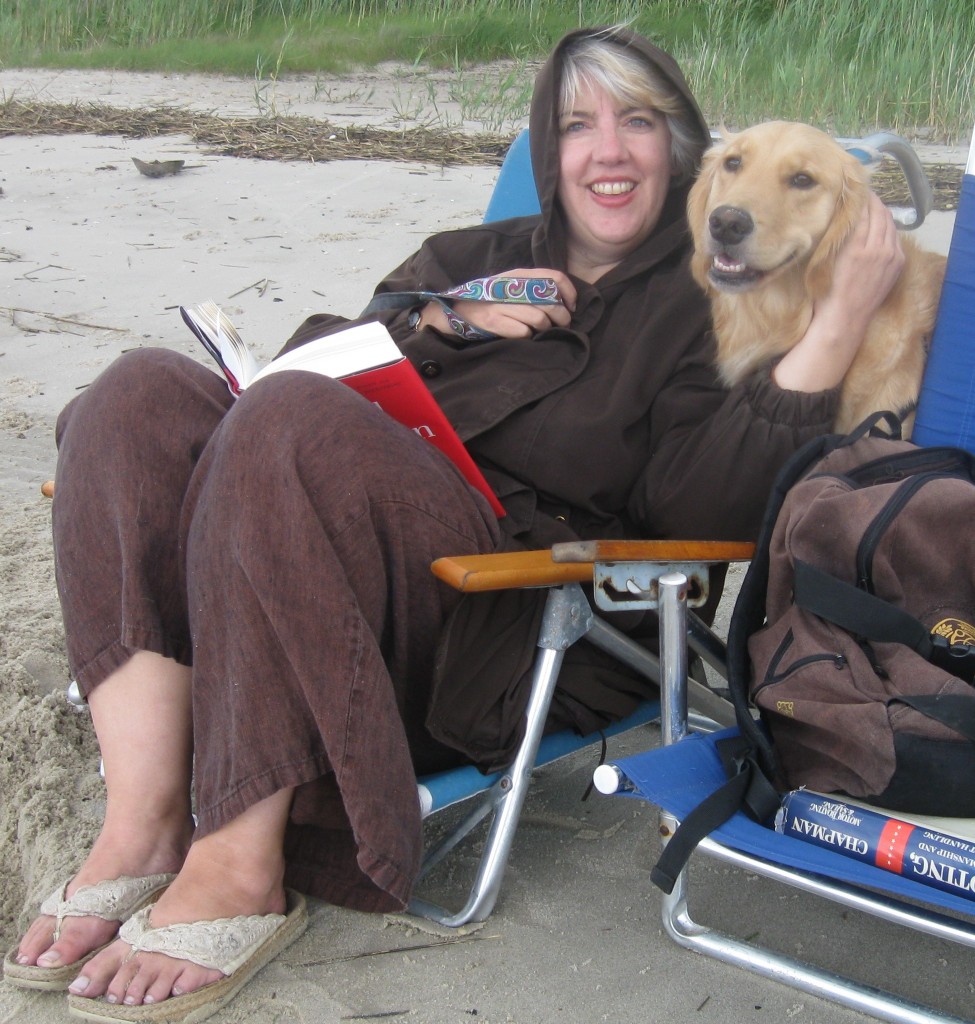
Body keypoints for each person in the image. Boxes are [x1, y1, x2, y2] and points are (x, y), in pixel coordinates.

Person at [5, 24, 904, 1022]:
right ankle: (142, 824)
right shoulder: (468, 260)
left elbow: (706, 512)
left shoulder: (714, 297)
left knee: (289, 424)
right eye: (576, 124)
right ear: (547, 147)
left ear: (682, 150)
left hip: (500, 619)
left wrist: (833, 325)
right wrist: (441, 318)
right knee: (134, 393)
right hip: (297, 552)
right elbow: (309, 363)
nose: (606, 150)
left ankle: (238, 864)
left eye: (638, 122)